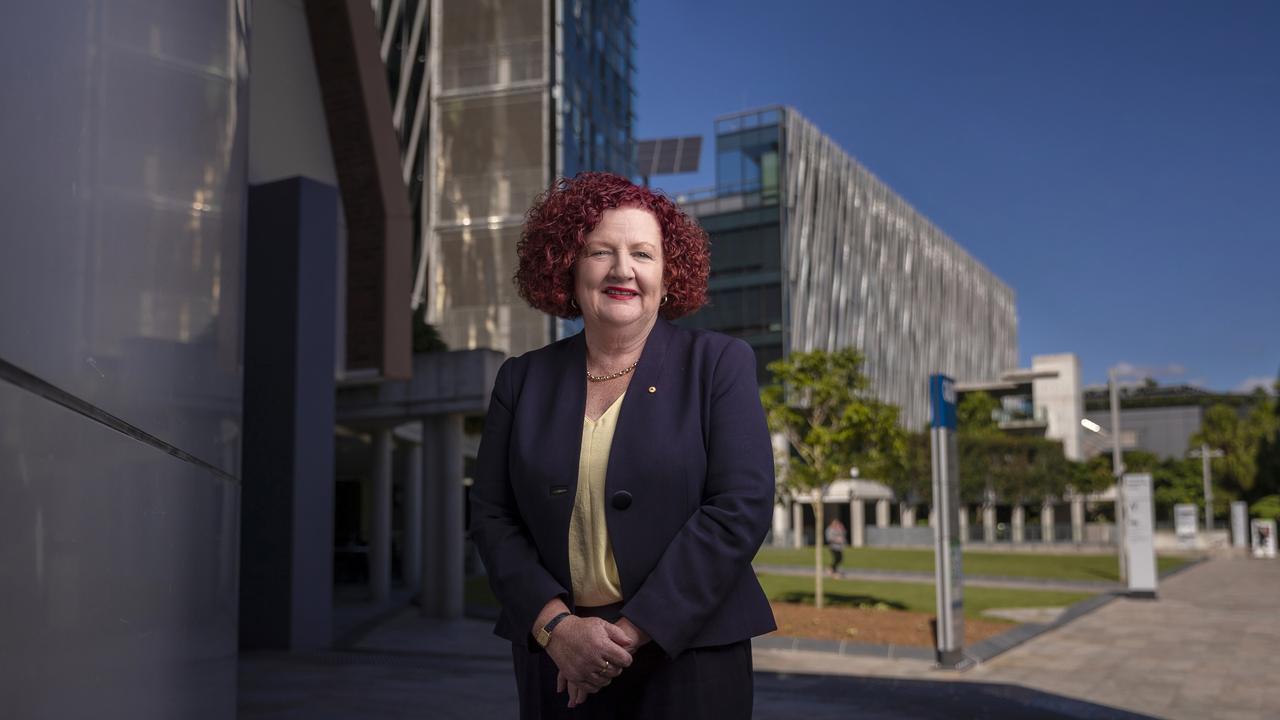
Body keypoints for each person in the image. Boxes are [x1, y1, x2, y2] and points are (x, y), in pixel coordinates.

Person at [469, 172, 777, 719]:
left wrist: (626, 637)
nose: (622, 270)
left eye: (643, 253)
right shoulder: (521, 379)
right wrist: (558, 629)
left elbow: (739, 509)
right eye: (599, 251)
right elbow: (493, 516)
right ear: (568, 263)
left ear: (668, 272)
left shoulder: (719, 364)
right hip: (555, 658)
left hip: (689, 656)